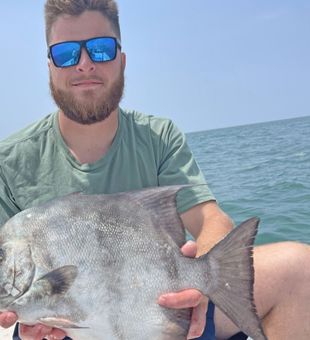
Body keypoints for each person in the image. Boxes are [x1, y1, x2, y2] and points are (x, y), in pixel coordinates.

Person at [0, 1, 309, 339]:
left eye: (101, 50)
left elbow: (211, 220)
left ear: (122, 60)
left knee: (298, 268)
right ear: (49, 66)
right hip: (63, 331)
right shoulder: (11, 160)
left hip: (158, 311)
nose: (85, 64)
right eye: (66, 53)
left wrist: (203, 287)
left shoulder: (159, 137)